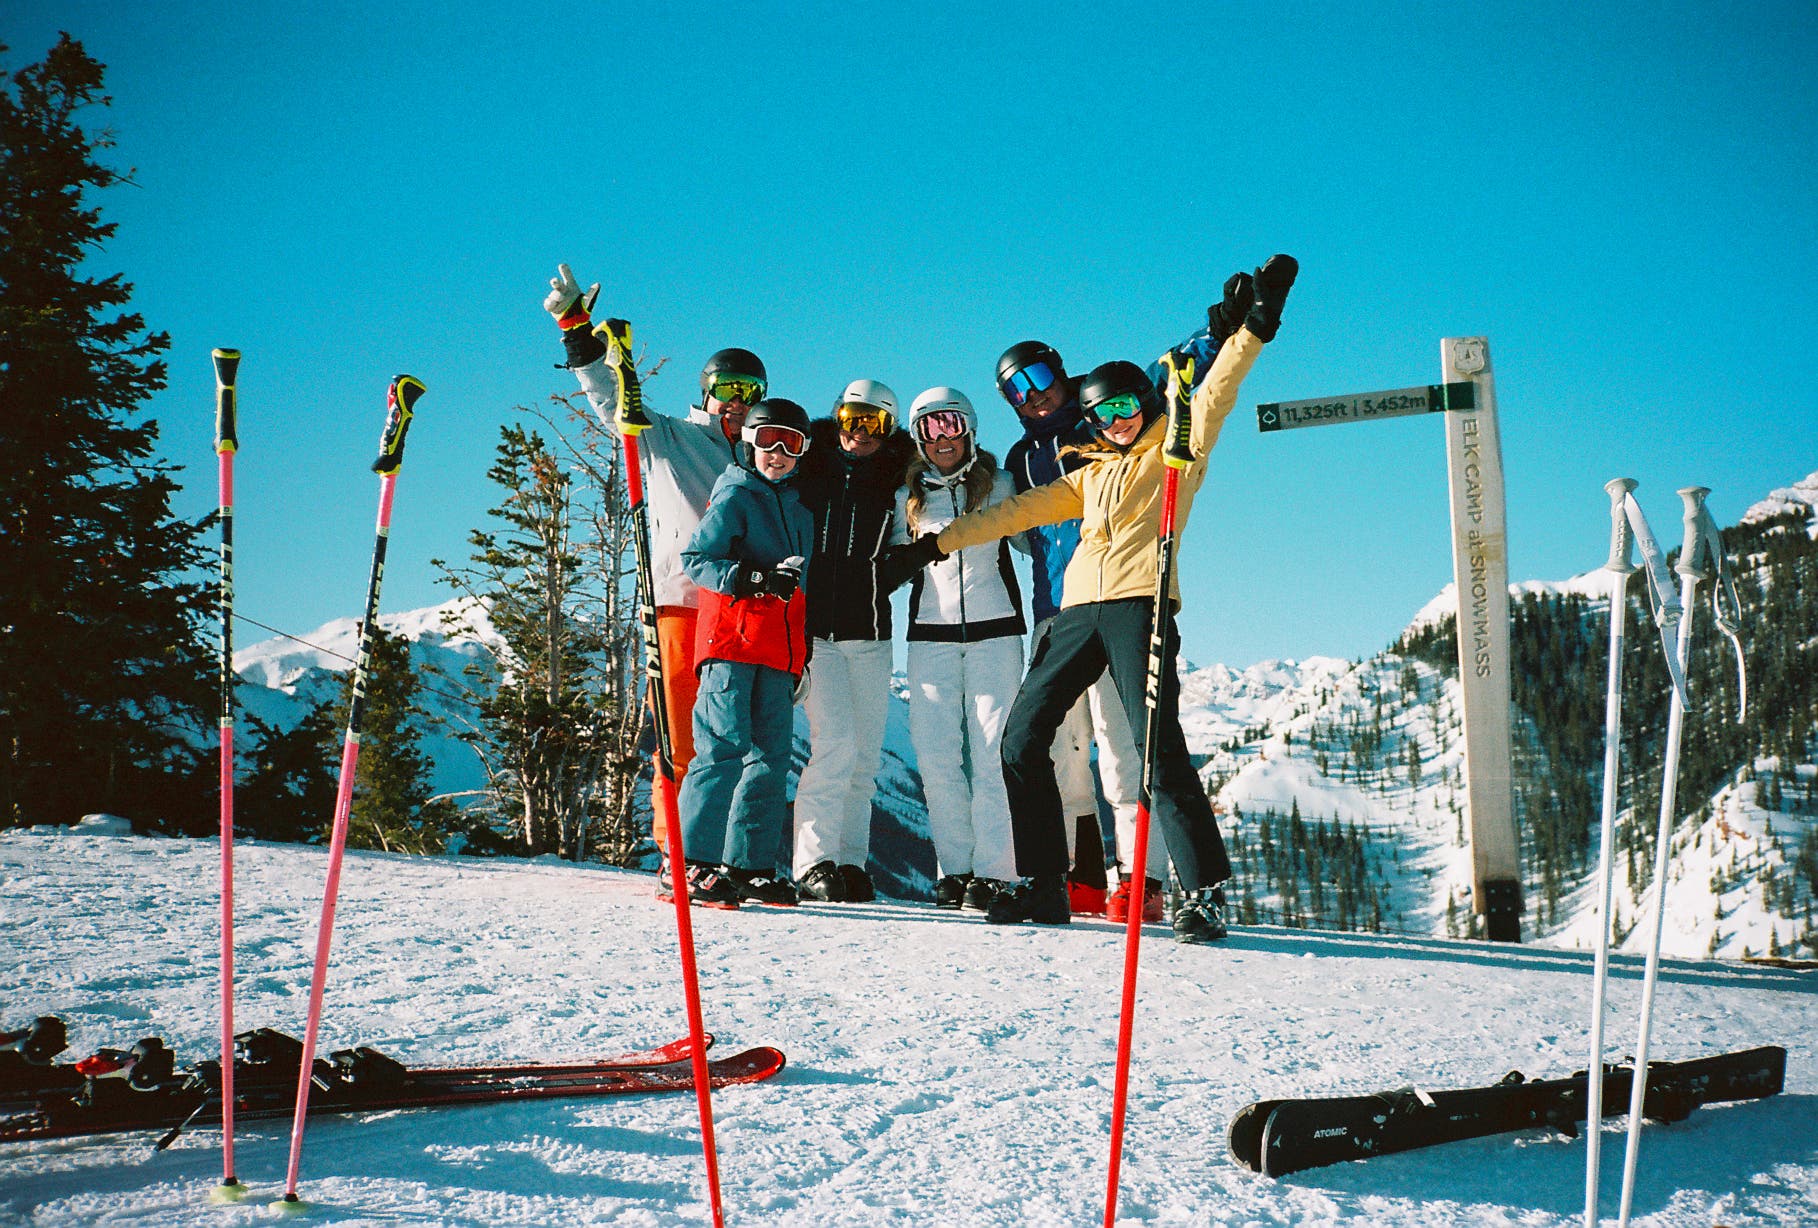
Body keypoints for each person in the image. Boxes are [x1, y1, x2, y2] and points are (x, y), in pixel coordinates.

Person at [889, 255, 1299, 943]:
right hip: (1074, 616)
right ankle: (1046, 882)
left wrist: (1251, 326)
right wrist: (933, 546)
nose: (1113, 419)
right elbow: (1010, 516)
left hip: (1139, 606)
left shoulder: (1173, 446)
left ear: (1142, 406)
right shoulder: (1085, 471)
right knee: (1021, 740)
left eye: (1123, 407)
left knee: (1150, 752)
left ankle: (1199, 893)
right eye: (1101, 413)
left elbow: (1212, 385)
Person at [543, 265, 766, 874]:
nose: (739, 401)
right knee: (680, 733)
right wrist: (576, 330)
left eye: (751, 390)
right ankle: (679, 851)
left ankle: (723, 854)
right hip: (678, 601)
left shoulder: (758, 455)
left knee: (735, 740)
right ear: (707, 390)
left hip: (739, 612)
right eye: (729, 387)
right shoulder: (667, 435)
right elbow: (611, 399)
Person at [884, 388, 1028, 913]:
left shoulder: (1002, 485)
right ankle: (956, 868)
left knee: (992, 754)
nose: (941, 438)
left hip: (996, 633)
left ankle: (994, 871)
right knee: (938, 754)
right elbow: (896, 565)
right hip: (931, 637)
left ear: (969, 429)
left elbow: (1031, 543)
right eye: (929, 429)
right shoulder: (909, 497)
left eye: (950, 425)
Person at [672, 398, 817, 908]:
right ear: (747, 443)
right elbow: (697, 560)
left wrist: (804, 651)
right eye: (767, 440)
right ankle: (690, 863)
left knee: (771, 758)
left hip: (778, 652)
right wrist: (753, 578)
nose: (777, 452)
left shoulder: (800, 511)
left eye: (790, 443)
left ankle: (749, 866)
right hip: (732, 643)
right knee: (722, 747)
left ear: (803, 452)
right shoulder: (734, 495)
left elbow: (800, 591)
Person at [789, 381, 917, 903]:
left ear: (889, 433)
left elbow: (899, 550)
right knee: (833, 746)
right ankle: (812, 862)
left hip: (871, 633)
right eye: (852, 417)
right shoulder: (809, 471)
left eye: (874, 424)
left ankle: (850, 862)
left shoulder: (894, 484)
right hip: (816, 632)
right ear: (837, 417)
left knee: (864, 757)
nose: (859, 432)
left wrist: (886, 576)